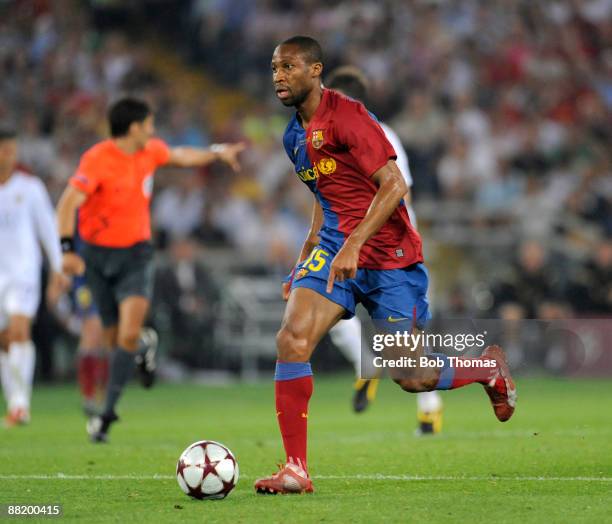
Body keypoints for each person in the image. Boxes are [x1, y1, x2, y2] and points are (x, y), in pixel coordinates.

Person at [255, 36, 516, 494]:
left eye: (289, 67)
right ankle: (296, 468)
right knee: (292, 339)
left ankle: (486, 370)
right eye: (275, 68)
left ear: (316, 70)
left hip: (389, 256)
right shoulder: (293, 136)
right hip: (336, 248)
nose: (279, 76)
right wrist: (304, 259)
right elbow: (325, 197)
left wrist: (356, 243)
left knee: (411, 377)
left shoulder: (350, 117)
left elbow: (395, 185)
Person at [56, 97, 245, 442]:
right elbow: (68, 202)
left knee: (123, 335)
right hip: (97, 258)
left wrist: (217, 152)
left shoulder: (150, 152)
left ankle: (107, 413)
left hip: (137, 255)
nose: (153, 131)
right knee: (116, 341)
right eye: (148, 125)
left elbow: (182, 156)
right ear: (133, 128)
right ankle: (144, 346)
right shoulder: (97, 160)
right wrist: (67, 249)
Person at [324, 65, 443, 435]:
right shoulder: (329, 137)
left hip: (390, 247)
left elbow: (397, 188)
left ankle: (428, 403)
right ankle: (368, 365)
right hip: (352, 240)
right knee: (326, 312)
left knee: (405, 337)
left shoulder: (378, 133)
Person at [0, 128, 67, 427]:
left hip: (23, 273)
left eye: (11, 150)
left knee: (19, 330)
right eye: (4, 149)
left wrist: (57, 269)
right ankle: (13, 403)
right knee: (4, 341)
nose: (8, 156)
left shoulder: (30, 188)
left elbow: (48, 231)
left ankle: (20, 403)